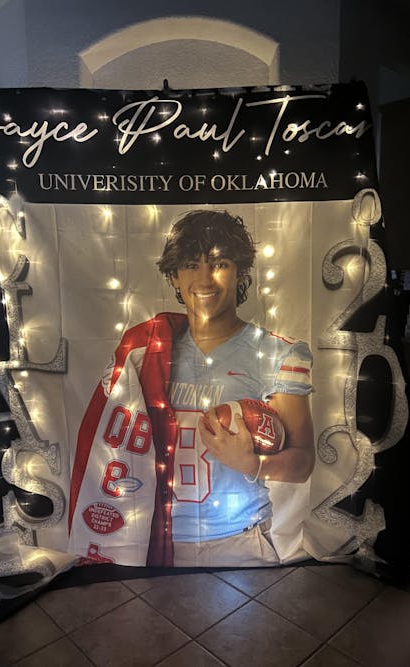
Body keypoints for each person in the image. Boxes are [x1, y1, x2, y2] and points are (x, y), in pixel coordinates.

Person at [68, 209, 314, 568]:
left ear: (241, 271)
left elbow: (303, 461)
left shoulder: (278, 352)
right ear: (174, 276)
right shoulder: (146, 350)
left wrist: (253, 463)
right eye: (190, 265)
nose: (204, 278)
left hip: (241, 539)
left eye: (220, 264)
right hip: (154, 538)